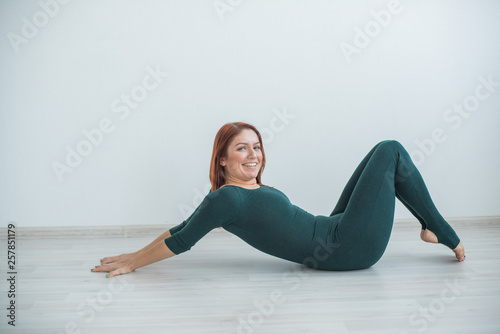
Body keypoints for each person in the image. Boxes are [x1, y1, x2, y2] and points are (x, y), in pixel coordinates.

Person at [92, 122, 465, 278]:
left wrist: (134, 253)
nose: (253, 154)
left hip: (334, 230)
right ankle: (441, 229)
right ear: (222, 159)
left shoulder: (237, 194)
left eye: (256, 146)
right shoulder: (226, 199)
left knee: (378, 156)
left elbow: (178, 229)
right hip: (347, 248)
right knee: (391, 150)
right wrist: (134, 263)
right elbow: (182, 239)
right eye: (242, 148)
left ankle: (430, 226)